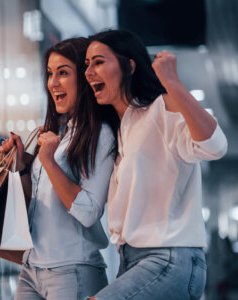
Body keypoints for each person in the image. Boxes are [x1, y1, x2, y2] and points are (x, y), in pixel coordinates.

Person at [84, 29, 228, 300]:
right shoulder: (118, 131)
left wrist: (172, 81)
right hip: (130, 262)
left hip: (170, 259)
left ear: (129, 65)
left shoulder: (161, 109)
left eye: (99, 62)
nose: (89, 71)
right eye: (87, 64)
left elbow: (216, 145)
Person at [0, 37, 119, 300]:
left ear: (85, 78)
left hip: (72, 271)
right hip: (32, 268)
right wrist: (20, 167)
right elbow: (38, 206)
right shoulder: (56, 132)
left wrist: (50, 162)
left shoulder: (101, 135)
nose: (53, 82)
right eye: (50, 74)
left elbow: (88, 212)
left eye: (63, 73)